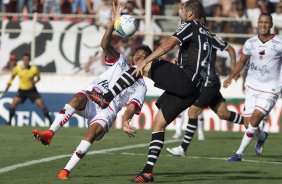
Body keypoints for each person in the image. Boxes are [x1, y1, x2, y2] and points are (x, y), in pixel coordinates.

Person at [89, 1, 215, 182]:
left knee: (143, 65)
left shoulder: (191, 26)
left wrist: (145, 61)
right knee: (158, 124)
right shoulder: (207, 34)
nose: (179, 10)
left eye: (182, 9)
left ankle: (106, 98)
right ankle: (148, 171)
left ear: (189, 15)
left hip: (186, 80)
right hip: (195, 88)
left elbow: (167, 46)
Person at [32, 3, 152, 179]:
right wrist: (112, 23)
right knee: (78, 97)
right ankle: (50, 133)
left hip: (107, 111)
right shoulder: (120, 61)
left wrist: (126, 121)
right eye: (137, 54)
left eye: (143, 56)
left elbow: (132, 106)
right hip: (92, 96)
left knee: (92, 132)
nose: (138, 57)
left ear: (148, 61)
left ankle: (66, 170)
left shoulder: (141, 86)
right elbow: (104, 44)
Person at [167, 34, 245, 157]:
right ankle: (255, 127)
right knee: (223, 114)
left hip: (209, 81)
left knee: (192, 112)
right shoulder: (190, 38)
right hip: (201, 83)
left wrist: (234, 70)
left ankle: (183, 148)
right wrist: (179, 60)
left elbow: (230, 49)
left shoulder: (210, 37)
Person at [223, 13, 282, 162]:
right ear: (257, 23)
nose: (263, 25)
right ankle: (262, 136)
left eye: (266, 22)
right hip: (253, 87)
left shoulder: (279, 44)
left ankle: (238, 154)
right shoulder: (250, 43)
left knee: (256, 119)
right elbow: (242, 62)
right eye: (261, 22)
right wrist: (231, 76)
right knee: (248, 124)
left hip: (271, 89)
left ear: (271, 25)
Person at [4, 53, 52, 125]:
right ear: (22, 60)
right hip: (22, 90)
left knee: (41, 104)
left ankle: (51, 122)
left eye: (27, 60)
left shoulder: (34, 69)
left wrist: (34, 82)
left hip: (32, 91)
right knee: (13, 103)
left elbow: (38, 78)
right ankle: (9, 122)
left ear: (29, 60)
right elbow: (12, 77)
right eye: (24, 60)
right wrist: (8, 84)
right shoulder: (18, 68)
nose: (25, 61)